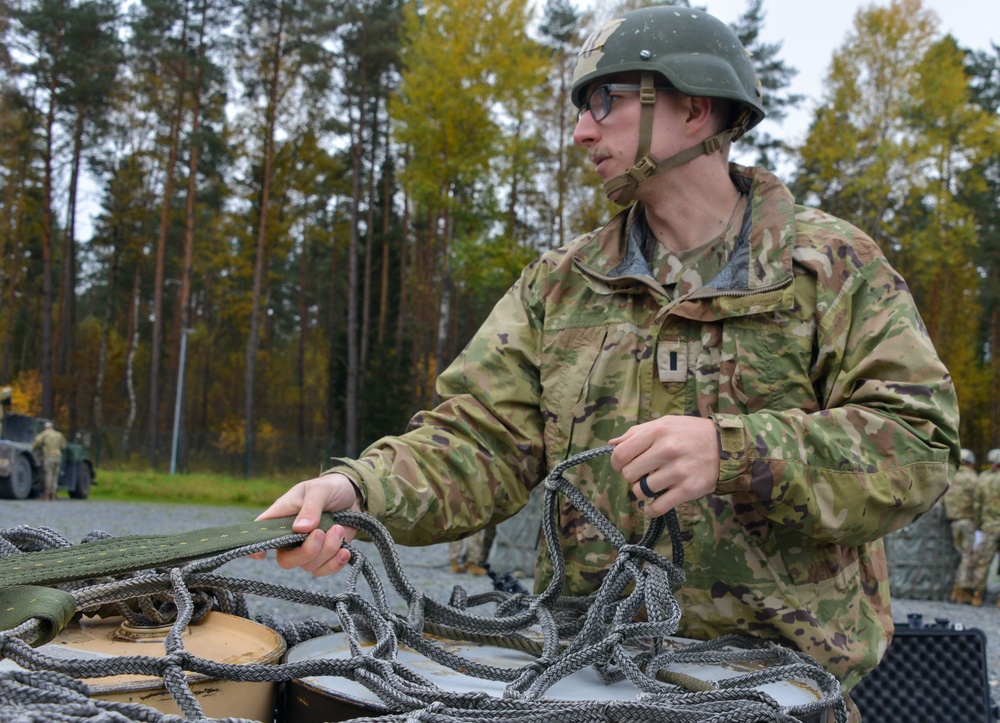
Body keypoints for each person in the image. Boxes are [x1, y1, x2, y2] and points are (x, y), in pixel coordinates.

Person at [256, 7, 959, 718]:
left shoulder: (827, 267)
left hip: (776, 686)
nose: (582, 130)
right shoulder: (561, 284)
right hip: (582, 681)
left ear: (694, 107)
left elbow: (919, 444)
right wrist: (359, 489)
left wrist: (738, 452)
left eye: (605, 100)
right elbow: (478, 441)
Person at [942, 449, 980, 603]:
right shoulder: (973, 478)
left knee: (957, 555)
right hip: (968, 521)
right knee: (967, 556)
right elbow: (978, 502)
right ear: (971, 463)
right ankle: (961, 590)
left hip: (952, 522)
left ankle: (954, 588)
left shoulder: (950, 476)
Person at [969, 449, 1000, 607]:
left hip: (989, 526)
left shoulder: (984, 479)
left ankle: (977, 595)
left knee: (983, 561)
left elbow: (977, 504)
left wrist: (979, 523)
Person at [32, 421, 67, 501]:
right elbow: (64, 446)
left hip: (48, 456)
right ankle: (53, 494)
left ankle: (47, 495)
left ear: (45, 427)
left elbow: (36, 443)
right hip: (58, 456)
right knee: (55, 476)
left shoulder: (44, 434)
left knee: (48, 475)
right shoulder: (59, 434)